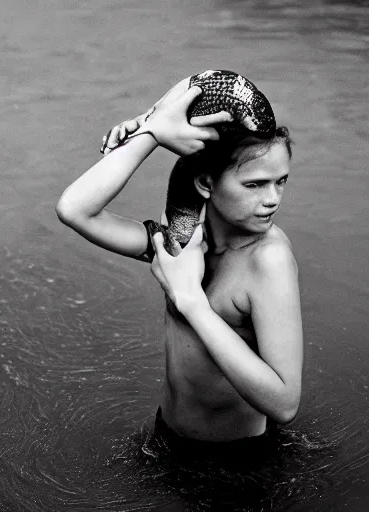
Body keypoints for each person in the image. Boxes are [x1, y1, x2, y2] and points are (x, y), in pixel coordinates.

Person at [56, 76, 303, 448]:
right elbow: (75, 211)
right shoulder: (182, 245)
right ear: (206, 183)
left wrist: (191, 302)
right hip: (166, 437)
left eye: (280, 181)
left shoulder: (268, 259)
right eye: (254, 185)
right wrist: (150, 132)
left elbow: (285, 404)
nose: (272, 199)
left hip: (237, 463)